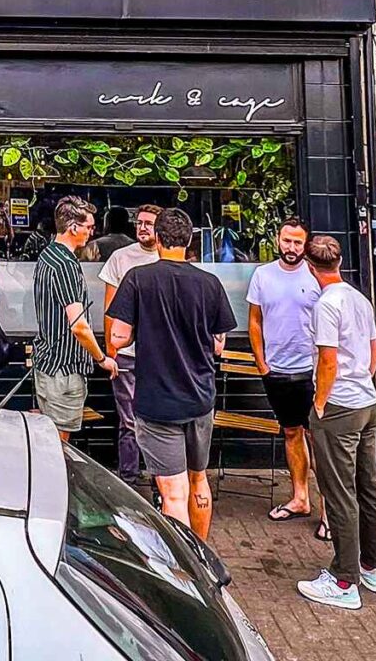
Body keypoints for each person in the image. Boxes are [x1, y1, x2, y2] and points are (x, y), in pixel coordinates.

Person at [108, 208, 236, 540]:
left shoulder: (138, 278)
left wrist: (142, 330)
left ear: (159, 239)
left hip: (157, 401)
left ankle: (184, 575)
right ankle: (203, 556)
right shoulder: (210, 284)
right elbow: (219, 346)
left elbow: (117, 338)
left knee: (173, 493)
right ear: (189, 239)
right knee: (199, 480)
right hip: (200, 397)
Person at [296, 235, 376, 611]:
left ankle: (344, 579)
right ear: (340, 262)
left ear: (309, 266)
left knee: (338, 492)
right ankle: (373, 567)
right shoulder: (359, 298)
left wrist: (320, 403)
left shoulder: (326, 305)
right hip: (368, 402)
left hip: (340, 407)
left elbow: (328, 360)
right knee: (369, 487)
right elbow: (374, 351)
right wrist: (361, 381)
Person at [247, 217, 329, 536]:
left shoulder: (315, 277)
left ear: (306, 245)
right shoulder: (262, 275)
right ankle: (299, 498)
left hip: (310, 371)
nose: (291, 247)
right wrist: (262, 363)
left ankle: (328, 512)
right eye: (286, 240)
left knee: (318, 440)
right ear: (277, 240)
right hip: (277, 371)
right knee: (291, 433)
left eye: (297, 242)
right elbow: (254, 320)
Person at [33, 196, 119, 442]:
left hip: (49, 363)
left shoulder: (48, 255)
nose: (92, 233)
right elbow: (79, 326)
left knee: (51, 444)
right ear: (73, 227)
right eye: (89, 227)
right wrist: (101, 359)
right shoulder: (65, 264)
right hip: (64, 369)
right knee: (59, 447)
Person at [99, 203, 162, 485]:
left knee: (160, 419)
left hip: (160, 353)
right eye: (139, 222)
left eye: (149, 223)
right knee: (128, 419)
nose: (142, 227)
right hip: (126, 353)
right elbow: (110, 305)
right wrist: (111, 350)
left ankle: (162, 479)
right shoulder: (120, 258)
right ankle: (129, 477)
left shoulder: (168, 256)